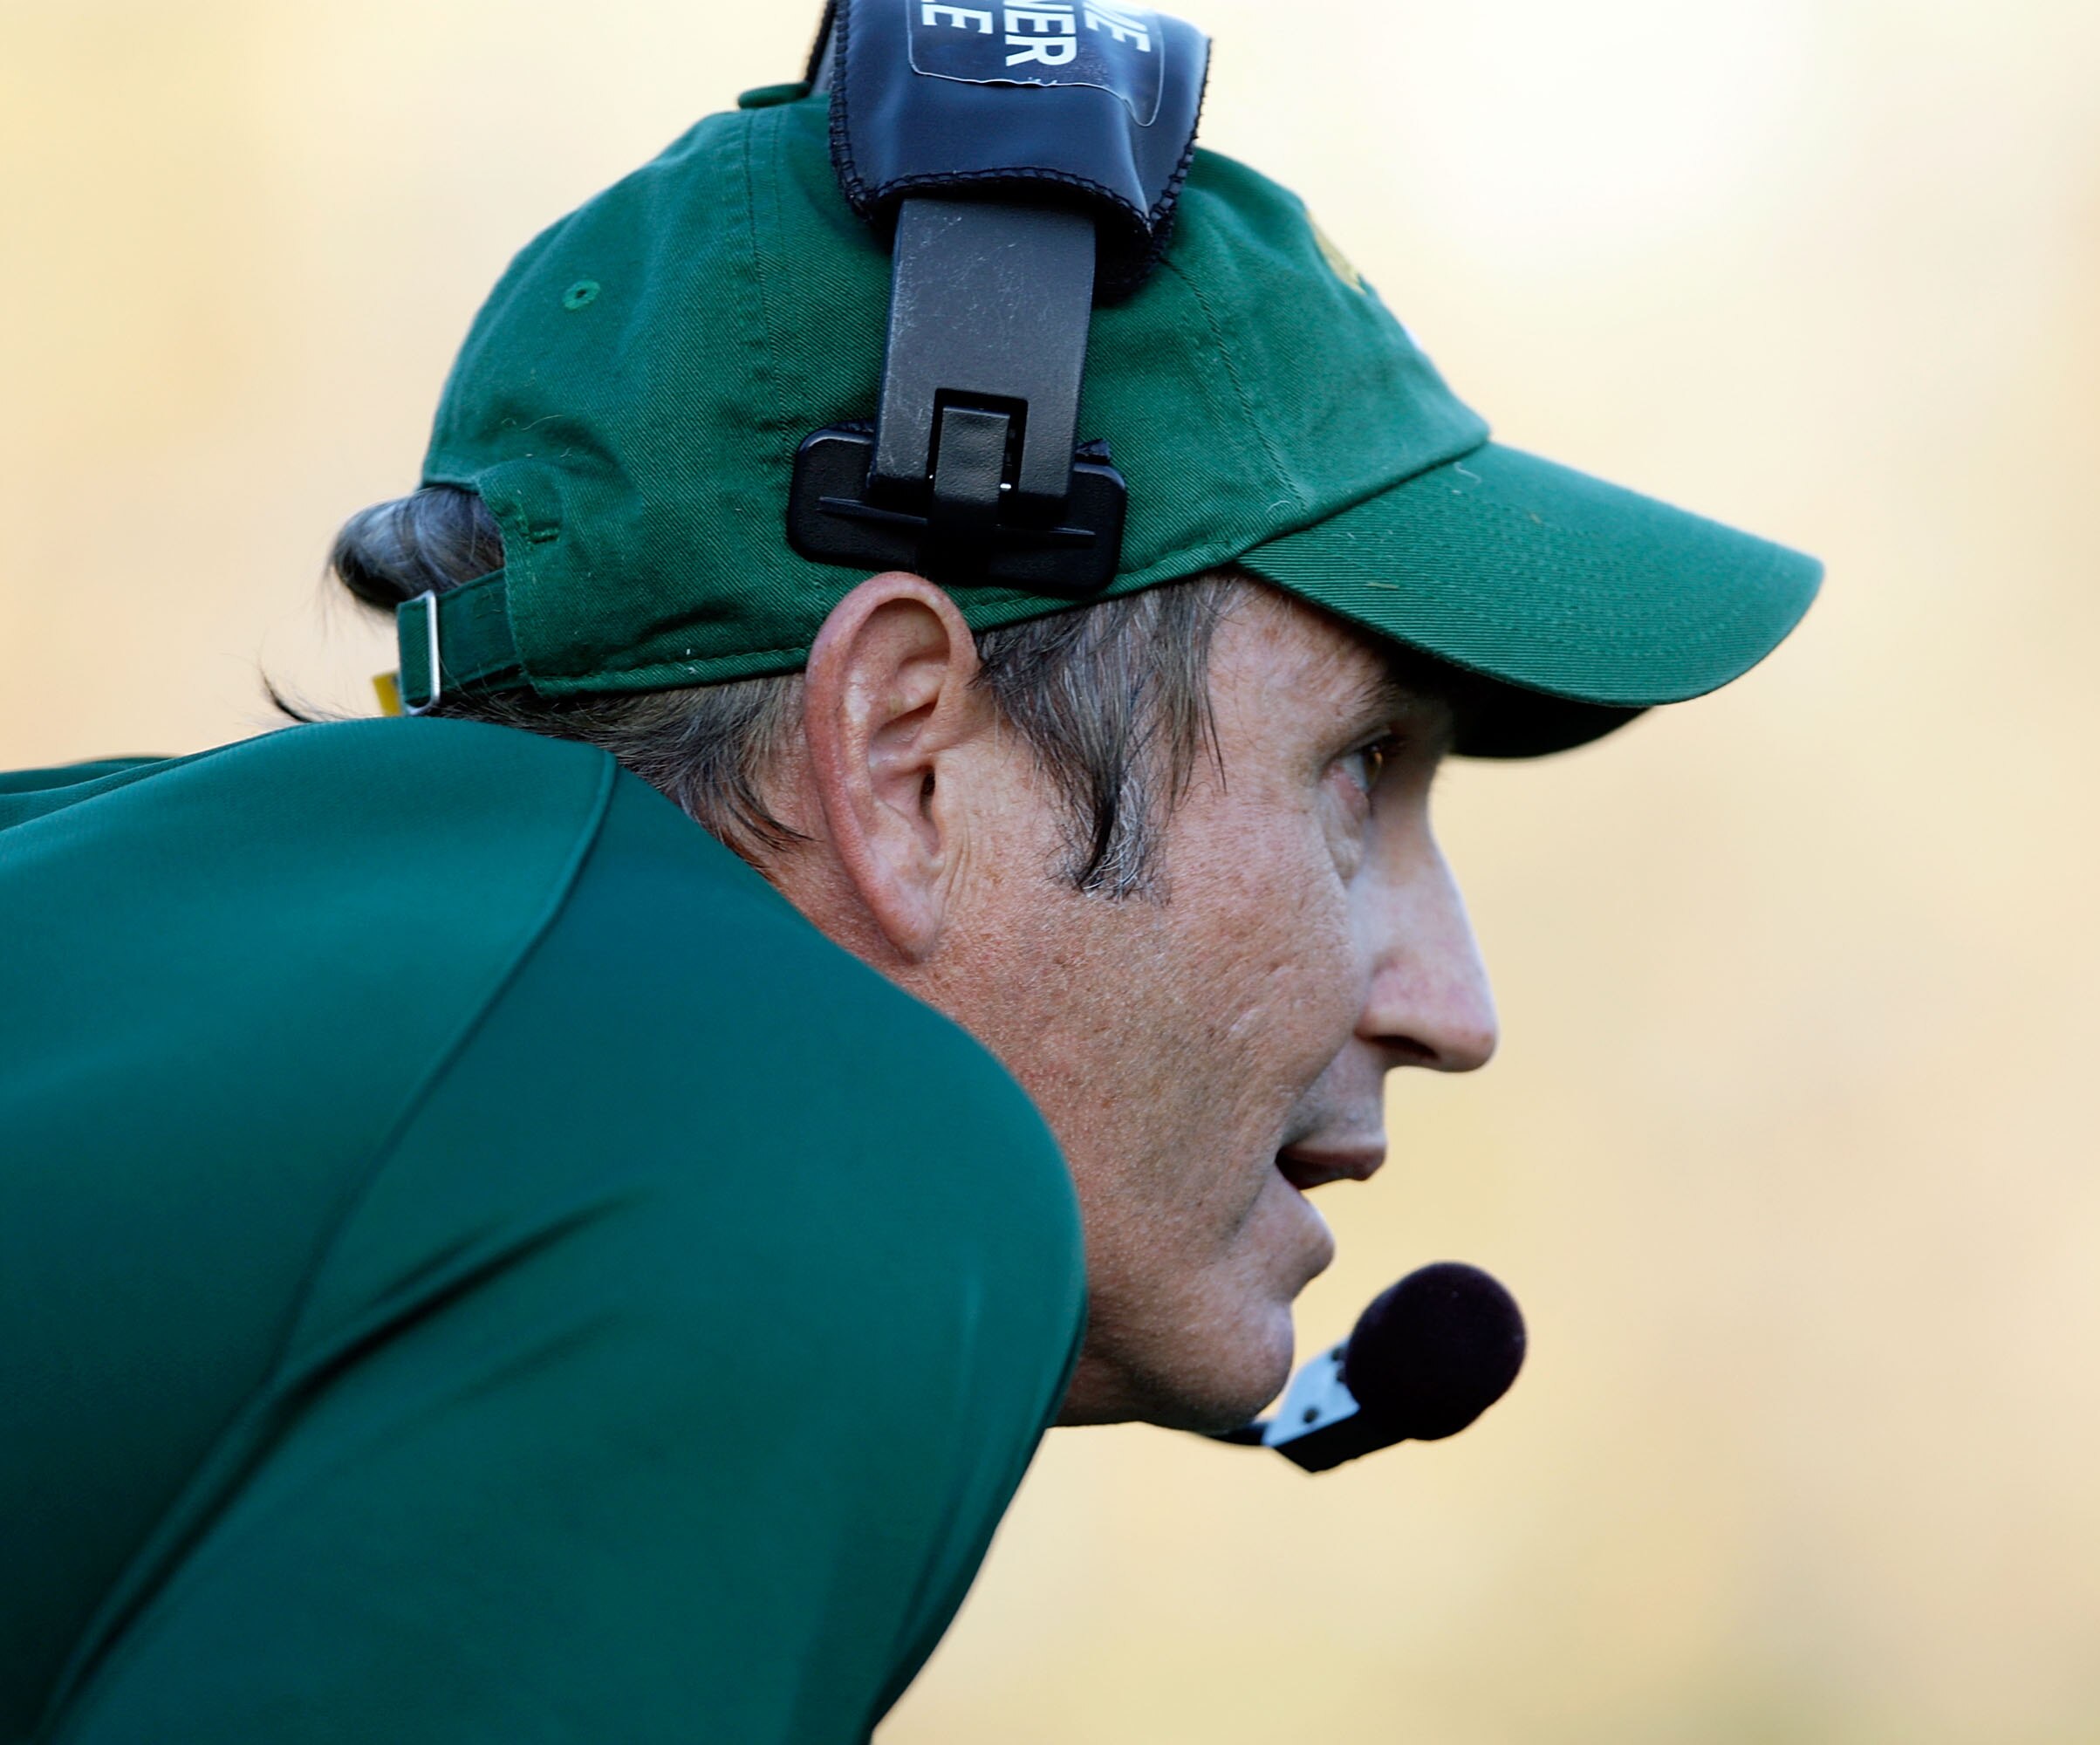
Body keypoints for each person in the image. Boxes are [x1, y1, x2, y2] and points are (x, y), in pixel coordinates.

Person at [0, 59, 1820, 1745]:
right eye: (1358, 769)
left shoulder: (138, 925)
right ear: (904, 756)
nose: (1455, 1006)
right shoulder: (784, 1152)